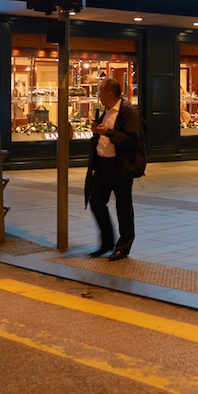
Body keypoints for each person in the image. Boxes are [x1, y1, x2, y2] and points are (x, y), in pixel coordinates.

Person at [84, 77, 145, 261]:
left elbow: (132, 140)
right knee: (96, 202)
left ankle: (124, 246)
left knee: (123, 206)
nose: (99, 96)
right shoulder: (107, 111)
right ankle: (107, 242)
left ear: (110, 93)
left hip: (120, 166)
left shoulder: (128, 113)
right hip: (103, 164)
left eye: (100, 92)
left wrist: (108, 133)